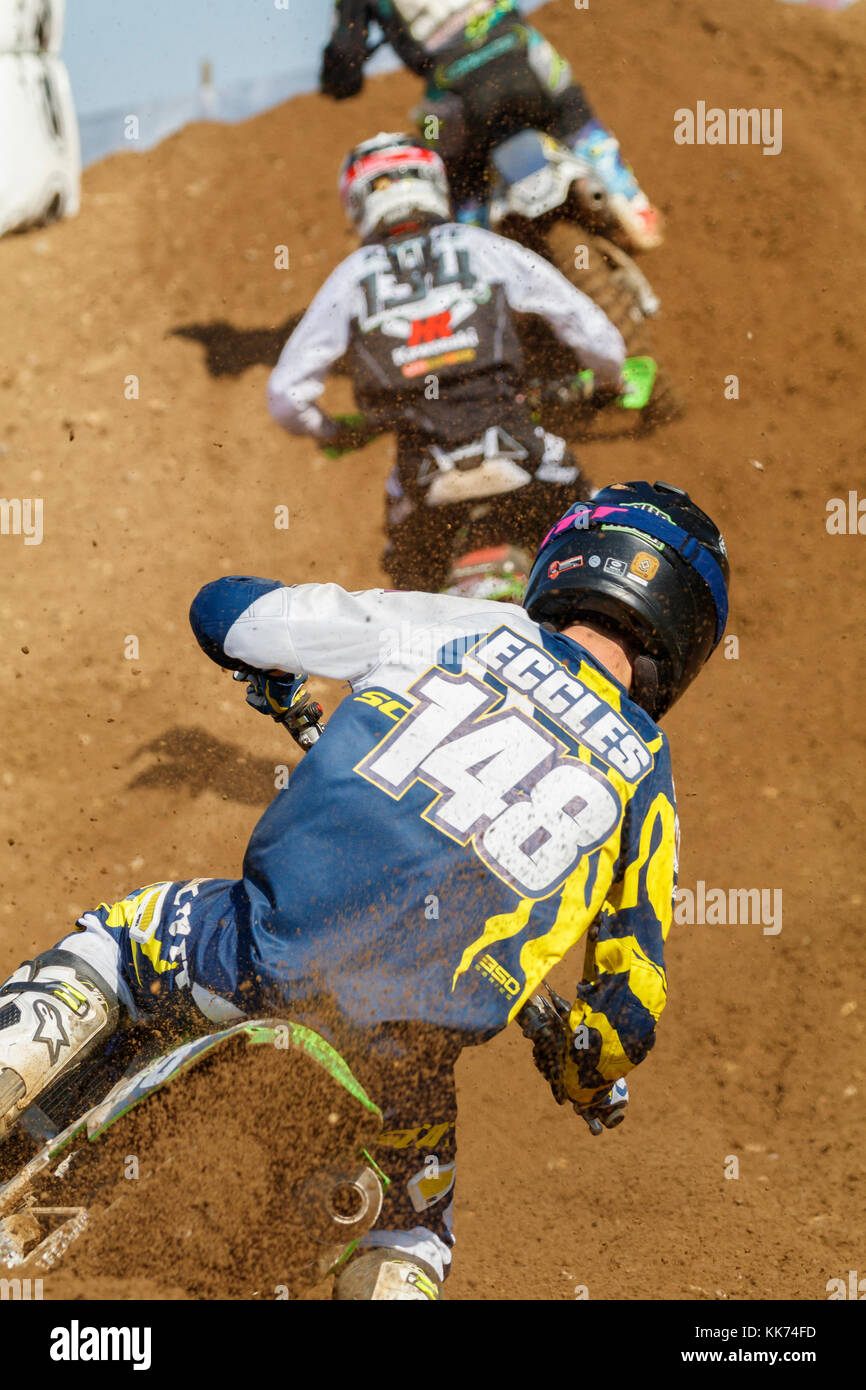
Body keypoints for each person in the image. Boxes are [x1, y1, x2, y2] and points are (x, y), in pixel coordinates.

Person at [0, 480, 729, 1300]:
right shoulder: (647, 777)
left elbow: (224, 613)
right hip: (399, 1070)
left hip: (256, 956)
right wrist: (583, 1066)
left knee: (117, 941)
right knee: (414, 1230)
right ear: (686, 633)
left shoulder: (460, 626)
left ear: (567, 560)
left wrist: (266, 657)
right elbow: (626, 1014)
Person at [267, 131, 626, 592]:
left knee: (408, 589)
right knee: (597, 542)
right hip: (521, 449)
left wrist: (330, 429)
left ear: (357, 201)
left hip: (422, 476)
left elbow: (285, 395)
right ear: (432, 182)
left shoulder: (352, 278)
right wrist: (605, 380)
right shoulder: (479, 246)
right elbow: (588, 326)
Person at [319, 0, 662, 249]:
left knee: (459, 175)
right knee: (574, 114)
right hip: (519, 47)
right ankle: (632, 204)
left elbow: (345, 54)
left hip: (452, 85)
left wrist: (338, 80)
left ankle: (478, 254)